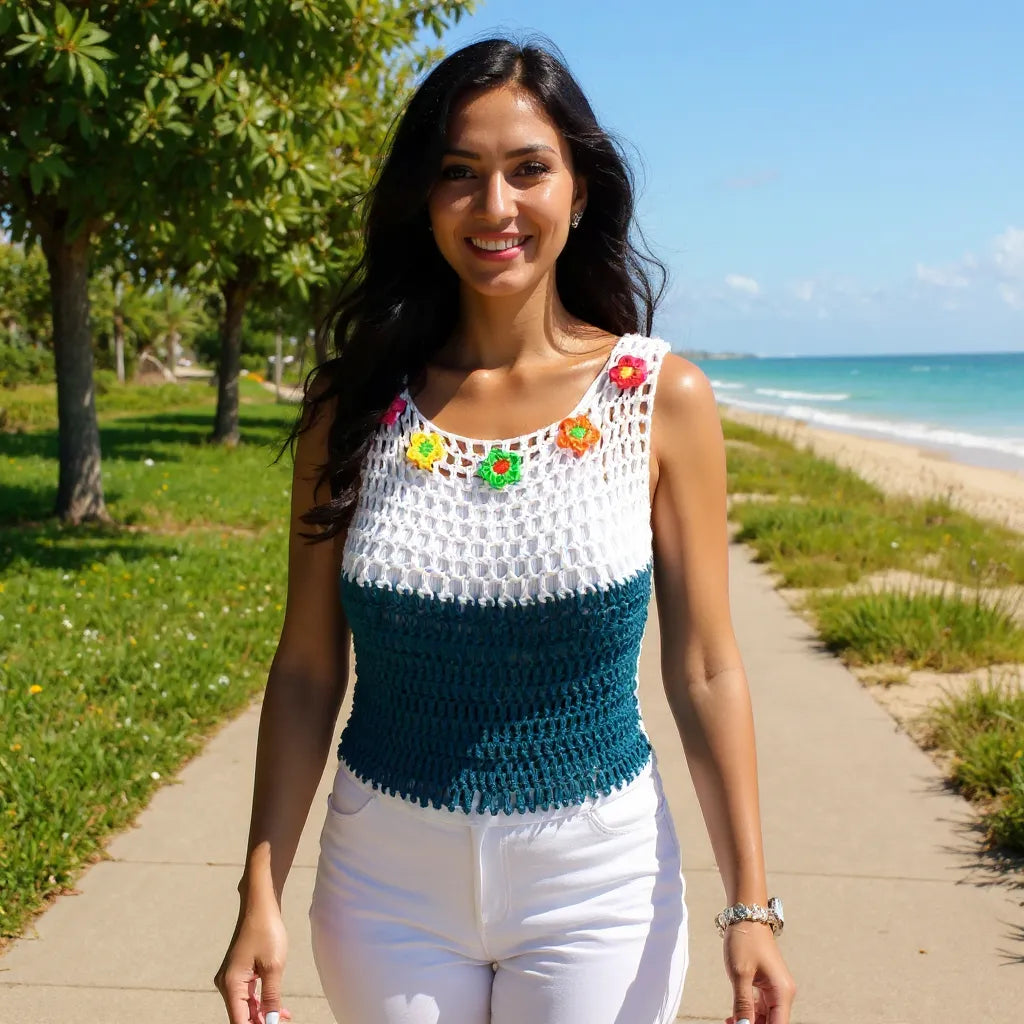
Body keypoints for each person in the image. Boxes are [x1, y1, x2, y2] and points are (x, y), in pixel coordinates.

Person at [214, 34, 796, 1024]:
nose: (495, 206)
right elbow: (308, 667)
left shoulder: (659, 398)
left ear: (579, 190)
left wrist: (751, 905)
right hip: (383, 887)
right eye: (459, 173)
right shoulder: (352, 407)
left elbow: (705, 667)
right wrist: (257, 890)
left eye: (529, 169)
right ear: (424, 198)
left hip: (597, 885)